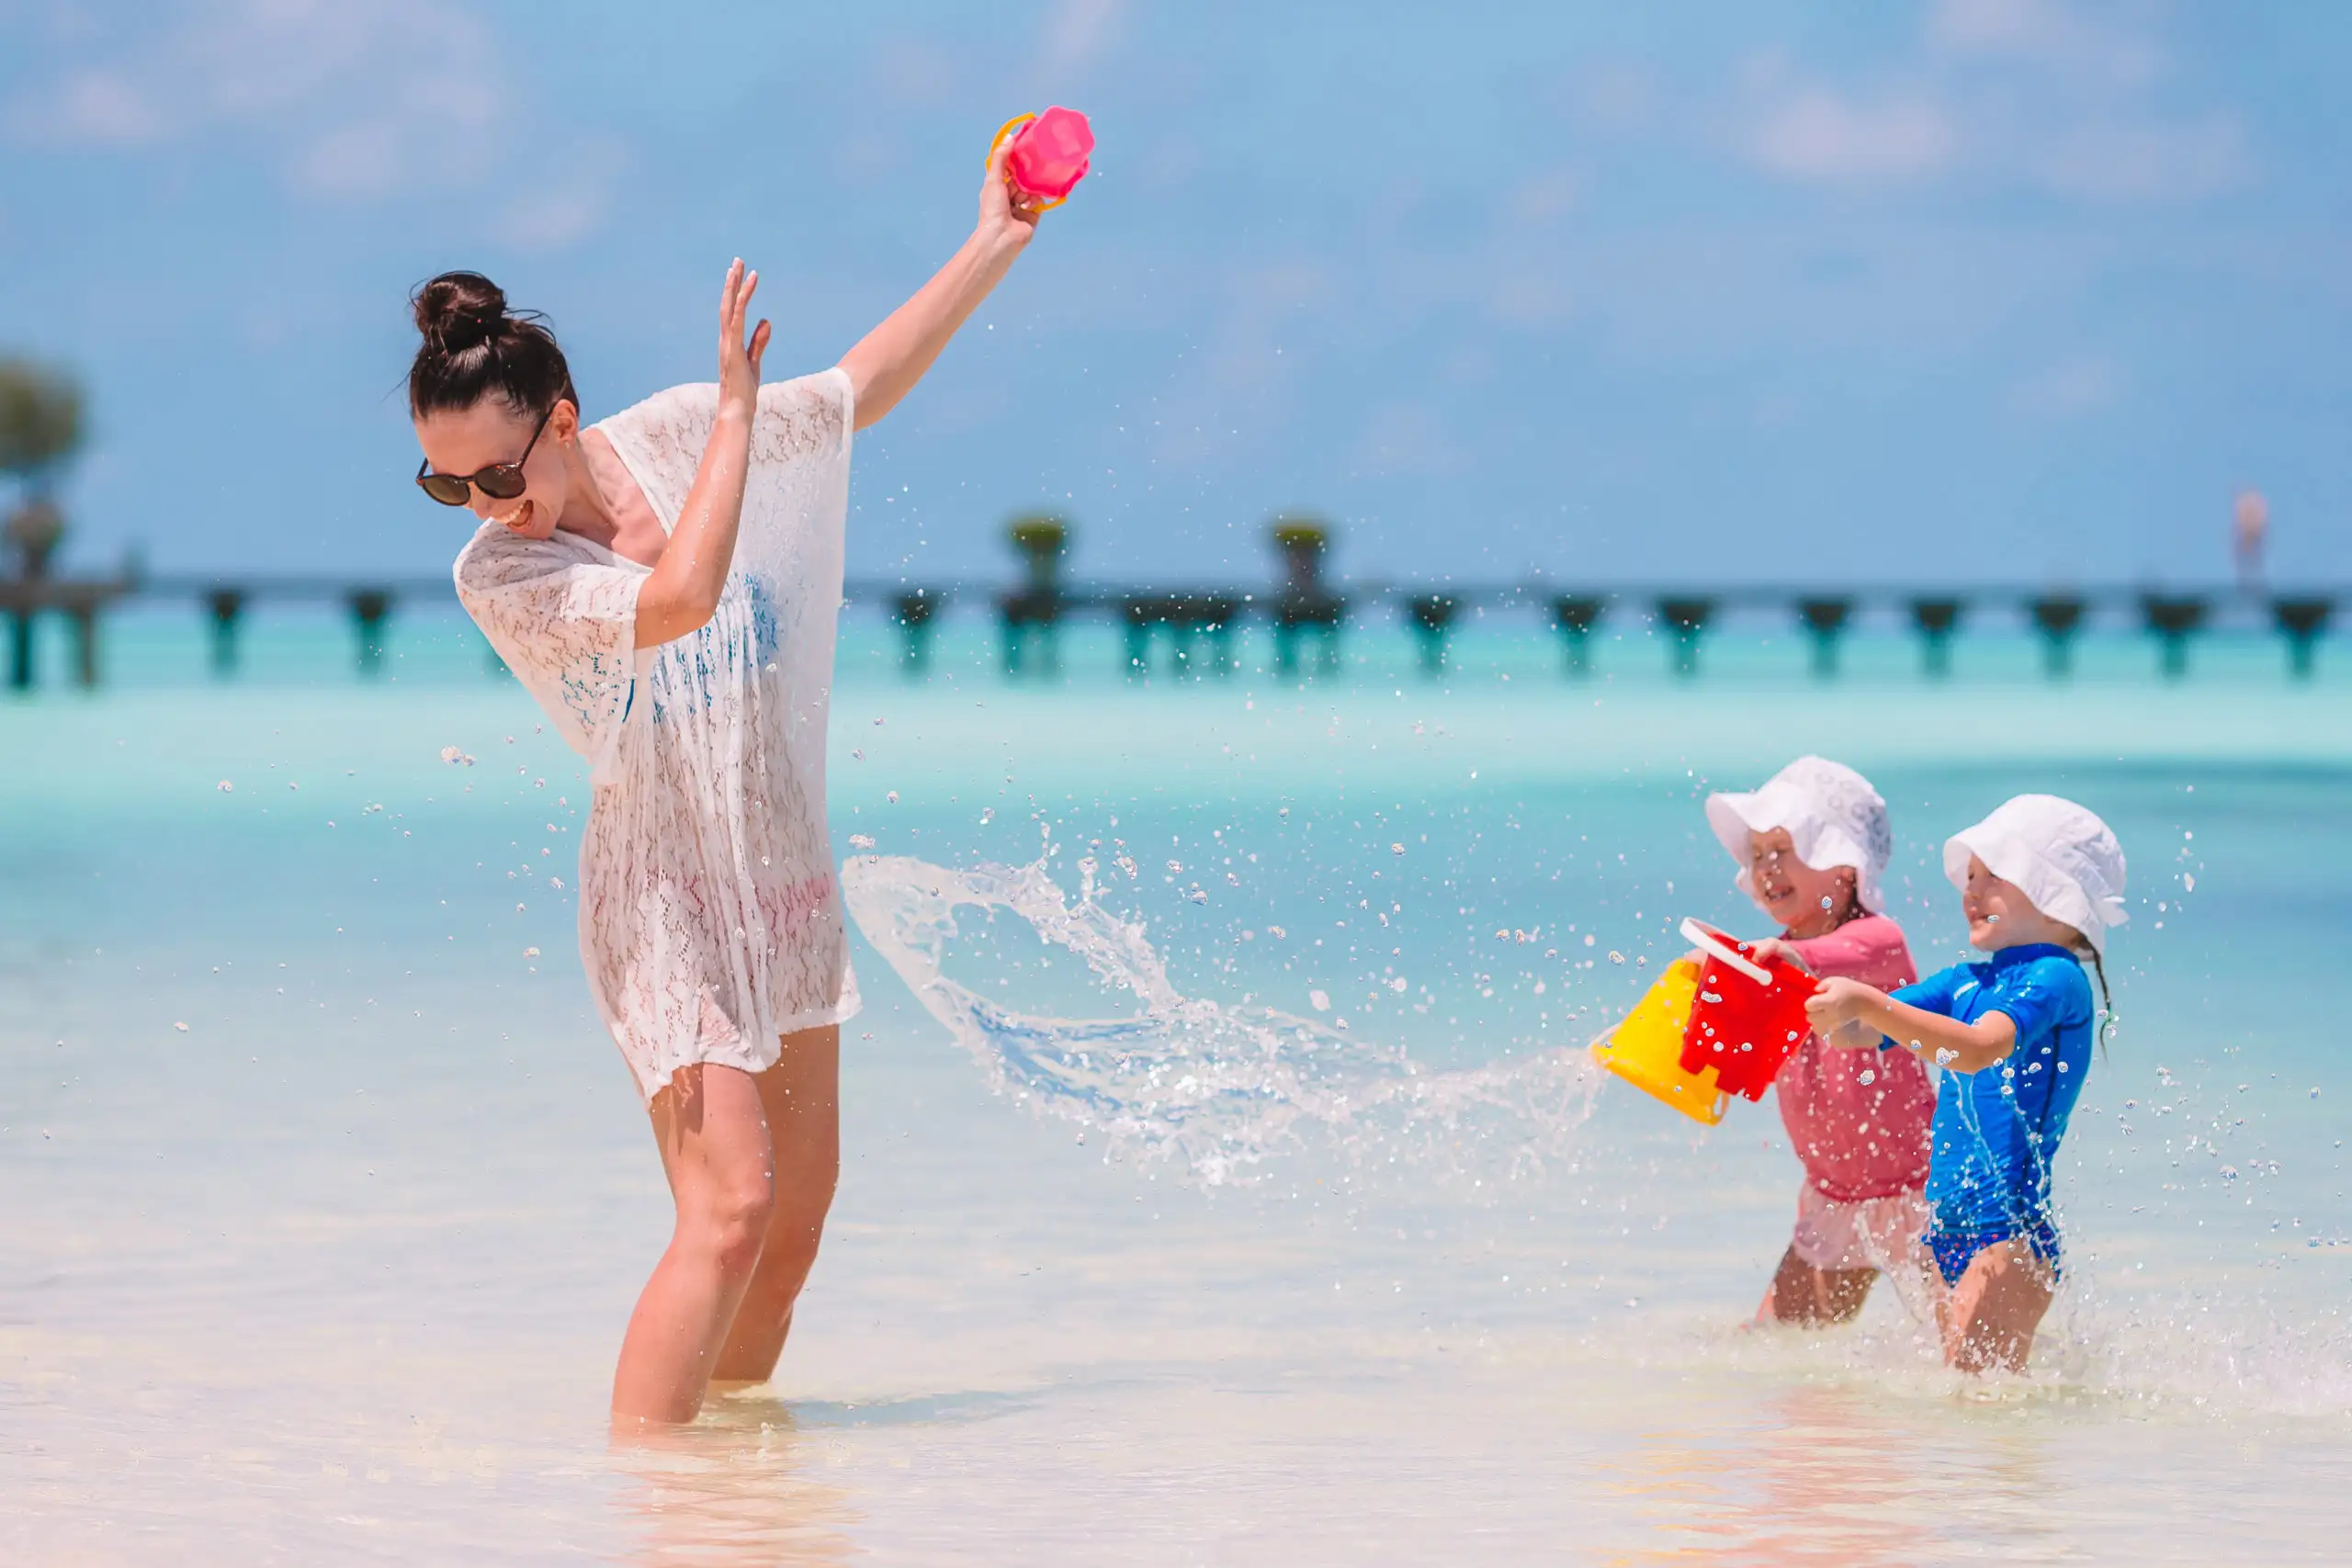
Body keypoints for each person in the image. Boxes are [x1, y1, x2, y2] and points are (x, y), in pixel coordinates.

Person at [407, 141, 1048, 1426]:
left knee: (793, 1231)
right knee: (729, 1210)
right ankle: (642, 1493)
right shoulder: (505, 576)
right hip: (662, 906)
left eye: (495, 470)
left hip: (785, 877)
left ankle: (734, 1498)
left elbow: (855, 391)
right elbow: (683, 594)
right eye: (444, 482)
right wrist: (741, 420)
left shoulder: (678, 432)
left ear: (565, 418)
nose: (481, 503)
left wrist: (996, 238)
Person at [1806, 795, 2126, 1374]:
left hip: (2010, 1241)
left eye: (1993, 875)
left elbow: (1977, 1049)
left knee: (1976, 1400)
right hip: (1946, 1232)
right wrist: (1790, 985)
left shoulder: (2055, 978)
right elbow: (1859, 1029)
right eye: (1969, 876)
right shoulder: (1965, 981)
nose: (1970, 891)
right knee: (1968, 1412)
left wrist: (1872, 1005)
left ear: (2055, 891)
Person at [1702, 758, 1933, 1327]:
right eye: (1756, 854)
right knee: (1773, 1346)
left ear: (1844, 867)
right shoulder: (1770, 964)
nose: (1765, 867)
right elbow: (1740, 1060)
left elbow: (1858, 951)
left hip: (1919, 1193)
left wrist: (1797, 958)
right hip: (1833, 1195)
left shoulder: (1876, 943)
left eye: (1784, 849)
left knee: (1972, 1357)